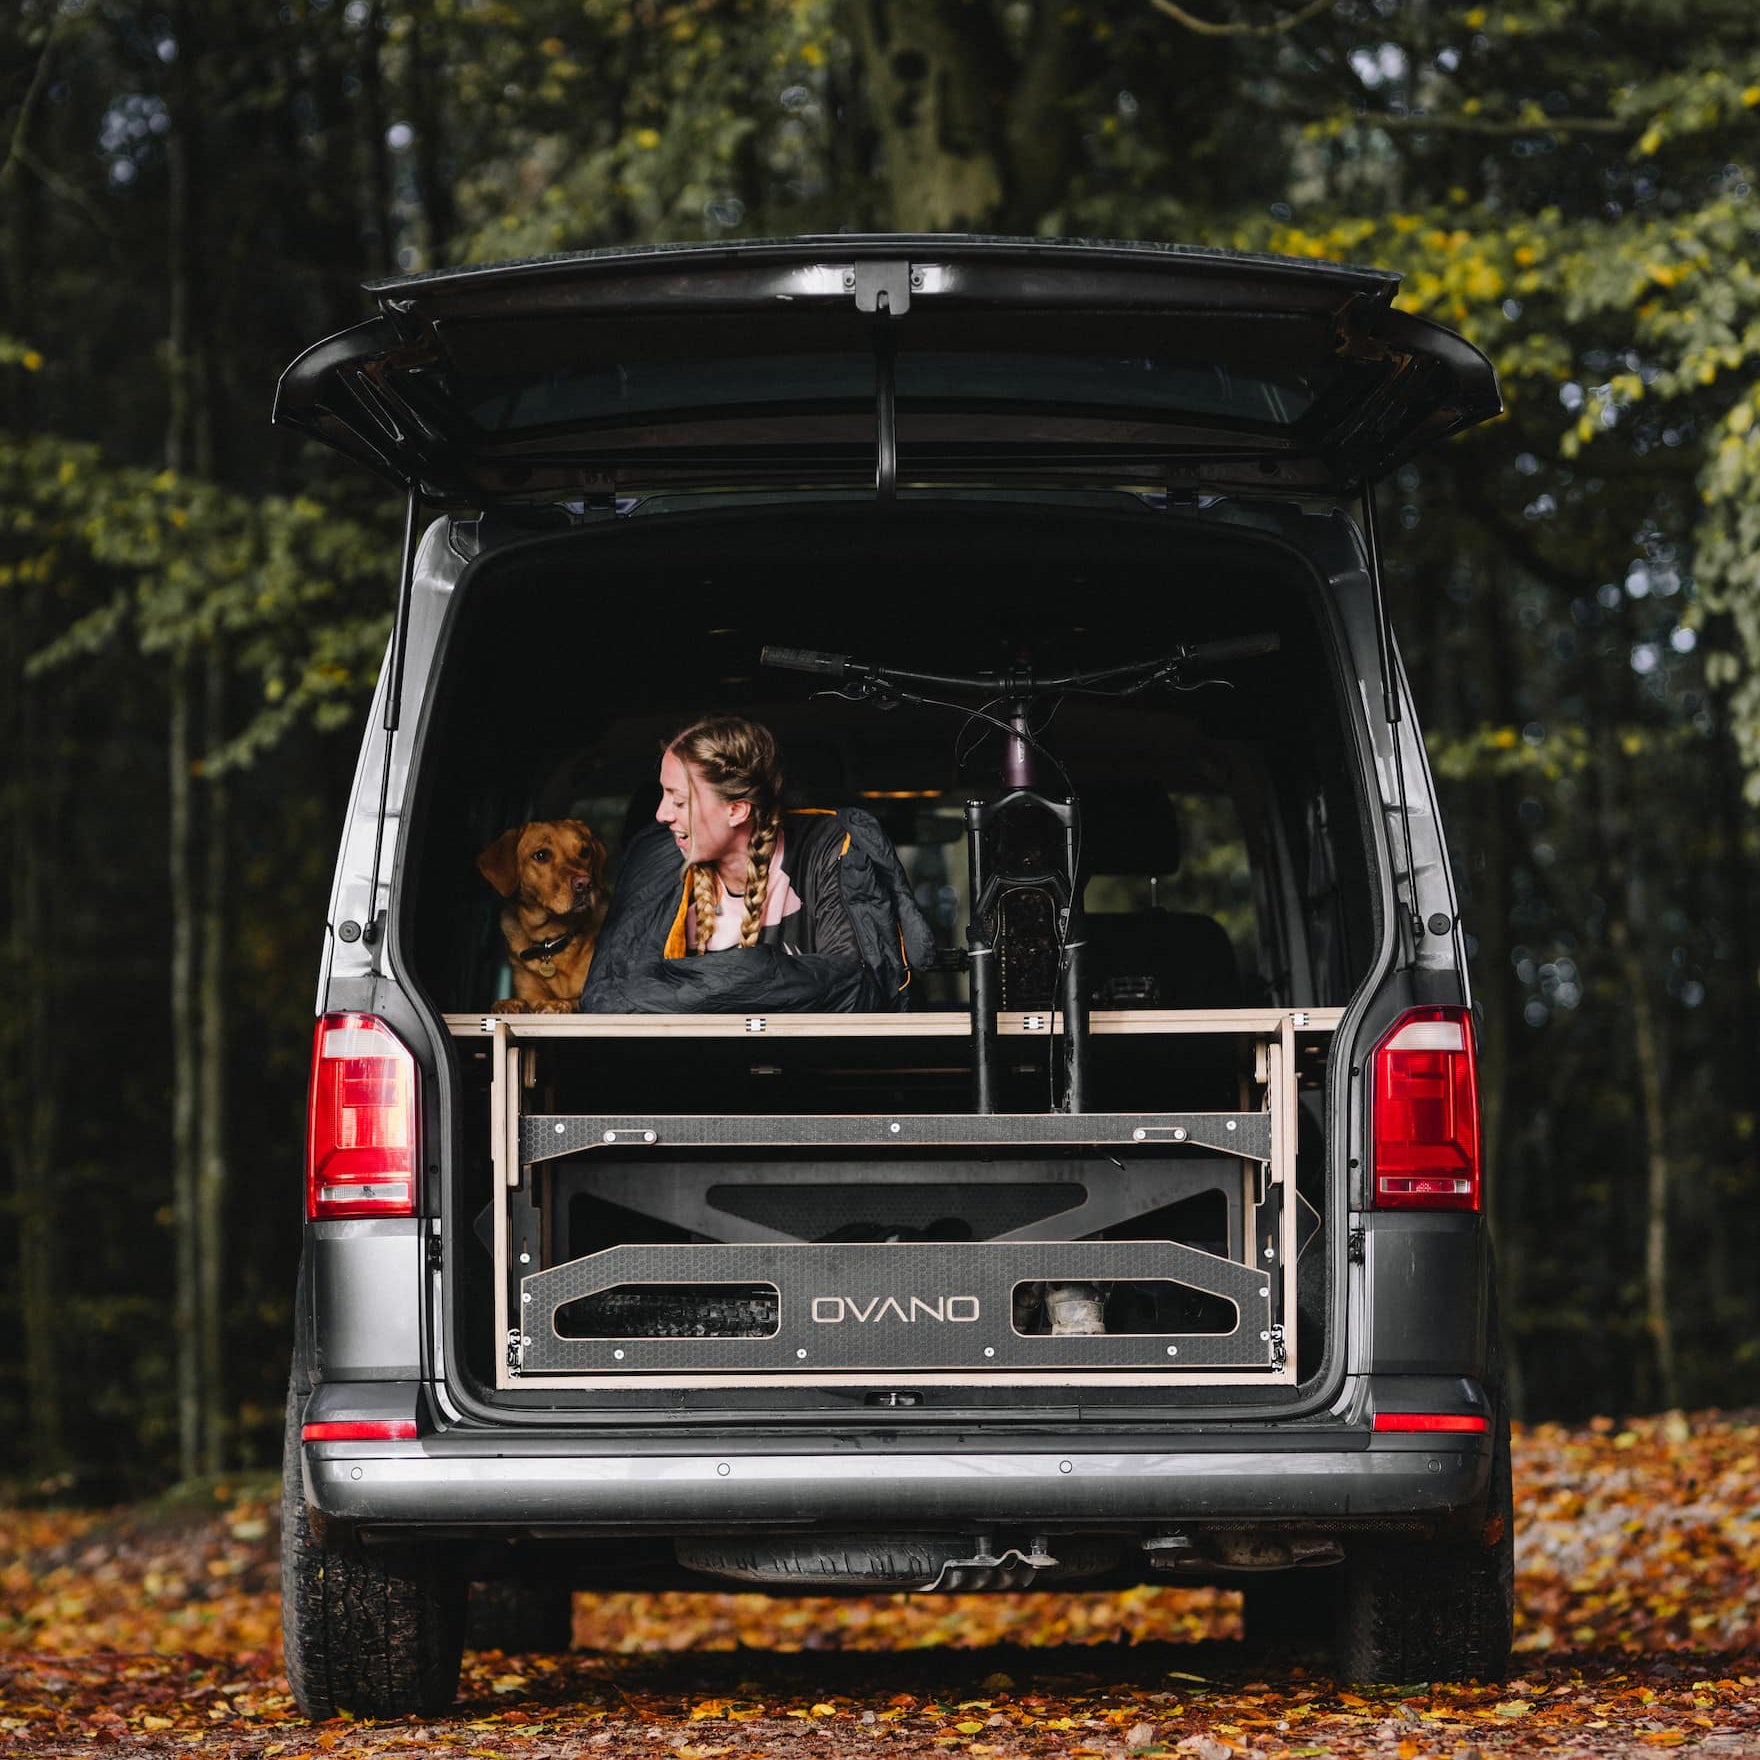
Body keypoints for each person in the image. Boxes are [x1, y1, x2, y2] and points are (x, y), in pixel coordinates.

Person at [580, 716, 937, 1013]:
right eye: (663, 795)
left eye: (679, 800)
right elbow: (610, 994)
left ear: (736, 810)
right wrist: (758, 976)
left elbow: (857, 987)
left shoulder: (829, 848)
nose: (661, 814)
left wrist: (689, 985)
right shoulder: (657, 855)